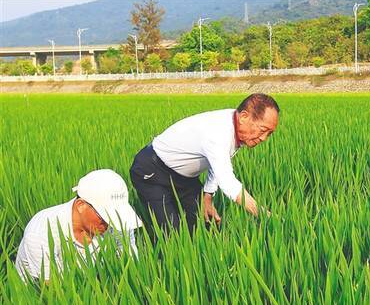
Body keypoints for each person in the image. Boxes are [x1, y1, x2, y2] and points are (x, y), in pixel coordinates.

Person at [129, 93, 279, 232]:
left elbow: (218, 163)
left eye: (269, 133)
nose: (264, 138)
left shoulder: (236, 127)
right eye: (263, 130)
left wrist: (207, 196)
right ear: (244, 117)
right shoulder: (218, 132)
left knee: (204, 225)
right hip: (152, 171)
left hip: (185, 178)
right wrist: (266, 215)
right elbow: (228, 184)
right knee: (170, 234)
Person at [14, 169, 142, 282]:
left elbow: (130, 261)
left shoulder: (117, 223)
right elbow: (52, 289)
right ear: (81, 206)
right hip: (39, 295)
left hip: (91, 284)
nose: (109, 223)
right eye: (104, 216)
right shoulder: (41, 232)